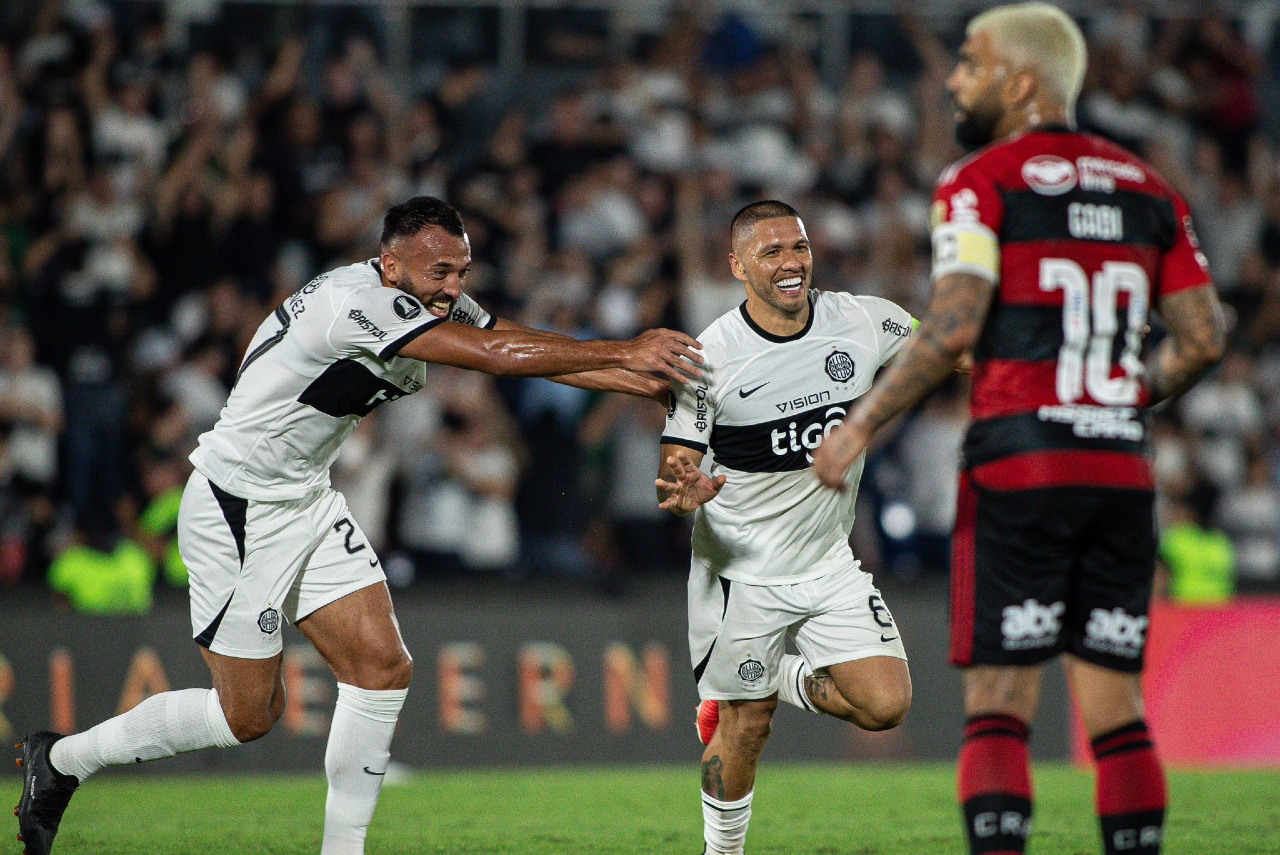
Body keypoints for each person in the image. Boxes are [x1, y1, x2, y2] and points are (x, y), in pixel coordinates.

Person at [15, 196, 702, 855]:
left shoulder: (422, 295)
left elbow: (505, 337)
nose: (454, 286)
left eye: (462, 271)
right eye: (440, 272)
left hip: (306, 500)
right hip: (238, 509)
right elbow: (495, 360)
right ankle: (64, 758)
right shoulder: (355, 304)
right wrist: (624, 347)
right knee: (247, 716)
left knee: (381, 668)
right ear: (391, 261)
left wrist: (631, 375)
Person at [811, 5, 1226, 855]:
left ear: (1022, 81)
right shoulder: (1148, 187)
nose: (955, 79)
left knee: (999, 700)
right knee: (1116, 706)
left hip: (1019, 462)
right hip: (1118, 468)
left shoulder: (980, 180)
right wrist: (1116, 404)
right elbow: (1205, 338)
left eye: (971, 62)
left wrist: (861, 427)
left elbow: (955, 324)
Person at [656, 199, 914, 855]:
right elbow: (677, 461)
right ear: (737, 265)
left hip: (828, 561)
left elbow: (950, 346)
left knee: (886, 704)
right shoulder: (710, 355)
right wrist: (688, 488)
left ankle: (782, 675)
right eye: (771, 252)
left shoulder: (859, 320)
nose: (792, 262)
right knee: (746, 726)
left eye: (798, 247)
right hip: (740, 573)